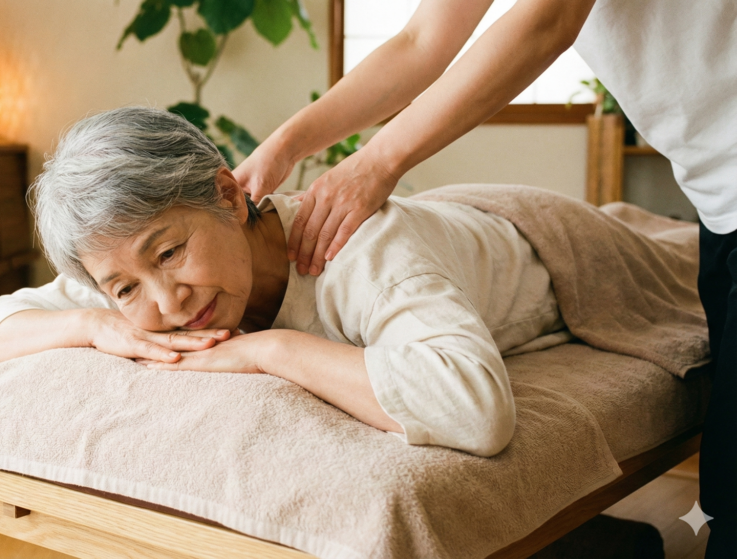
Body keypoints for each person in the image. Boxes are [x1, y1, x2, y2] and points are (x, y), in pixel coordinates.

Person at [233, 1, 735, 554]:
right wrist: (283, 146)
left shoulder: (381, 262)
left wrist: (375, 164)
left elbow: (548, 19)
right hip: (718, 200)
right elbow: (421, 41)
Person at [0, 107, 574, 457]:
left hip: (541, 246)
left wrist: (269, 350)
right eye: (123, 289)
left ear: (229, 197)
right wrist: (95, 324)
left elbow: (475, 411)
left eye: (170, 252)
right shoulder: (130, 279)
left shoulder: (364, 254)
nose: (168, 302)